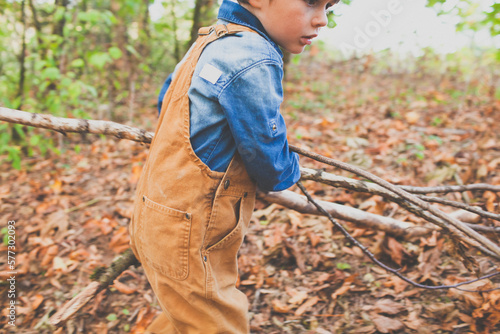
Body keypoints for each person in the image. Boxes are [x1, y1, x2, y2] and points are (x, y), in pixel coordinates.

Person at [129, 0, 337, 332]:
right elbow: (267, 160)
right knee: (216, 321)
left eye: (328, 6)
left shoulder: (211, 38)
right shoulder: (255, 55)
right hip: (190, 236)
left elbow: (166, 100)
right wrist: (288, 169)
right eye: (312, 2)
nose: (322, 20)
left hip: (152, 216)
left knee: (185, 315)